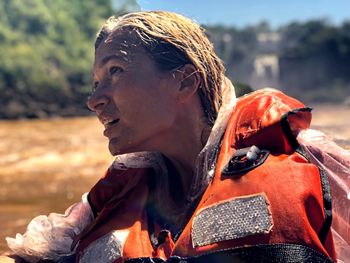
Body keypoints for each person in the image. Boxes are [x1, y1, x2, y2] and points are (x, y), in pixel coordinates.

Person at [3, 11, 350, 263]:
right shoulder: (106, 201)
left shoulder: (307, 158)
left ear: (184, 80)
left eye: (115, 71)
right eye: (96, 83)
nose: (94, 100)